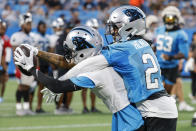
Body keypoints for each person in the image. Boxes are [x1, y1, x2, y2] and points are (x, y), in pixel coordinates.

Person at [16, 6, 178, 131]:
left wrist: (32, 69)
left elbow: (77, 70)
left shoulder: (108, 62)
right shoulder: (141, 44)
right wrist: (37, 52)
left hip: (142, 114)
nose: (113, 32)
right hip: (146, 110)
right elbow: (71, 63)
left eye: (116, 27)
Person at [14, 26, 144, 131]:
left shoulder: (95, 73)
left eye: (73, 51)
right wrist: (37, 52)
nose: (70, 55)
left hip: (129, 119)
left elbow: (57, 87)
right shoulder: (103, 57)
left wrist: (31, 69)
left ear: (84, 51)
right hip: (126, 114)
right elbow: (64, 62)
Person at [155, 6, 189, 94]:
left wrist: (170, 57)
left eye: (171, 19)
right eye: (167, 18)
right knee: (156, 91)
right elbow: (155, 46)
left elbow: (184, 54)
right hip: (158, 65)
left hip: (171, 67)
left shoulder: (181, 34)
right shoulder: (159, 30)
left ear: (177, 19)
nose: (169, 21)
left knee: (166, 92)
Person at [10, 12, 35, 116]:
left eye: (30, 24)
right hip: (21, 66)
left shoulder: (31, 37)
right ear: (22, 24)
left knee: (27, 88)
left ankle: (26, 108)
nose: (30, 26)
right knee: (21, 87)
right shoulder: (16, 36)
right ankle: (18, 108)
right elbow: (14, 52)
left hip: (29, 66)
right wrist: (17, 68)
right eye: (28, 24)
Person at [80, 18, 101, 113]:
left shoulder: (99, 39)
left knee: (94, 86)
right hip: (85, 63)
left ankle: (93, 107)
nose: (95, 29)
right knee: (84, 87)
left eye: (96, 27)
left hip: (95, 64)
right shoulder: (83, 39)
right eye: (93, 28)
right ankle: (85, 107)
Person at [30, 20, 51, 113]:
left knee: (41, 87)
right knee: (32, 86)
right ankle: (29, 106)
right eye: (43, 26)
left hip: (45, 63)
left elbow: (50, 50)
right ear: (38, 27)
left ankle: (39, 107)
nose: (44, 28)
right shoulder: (34, 37)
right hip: (36, 62)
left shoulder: (47, 37)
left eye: (45, 27)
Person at [0, 19, 11, 103]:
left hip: (2, 62)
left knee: (3, 80)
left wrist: (6, 64)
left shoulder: (5, 39)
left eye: (3, 28)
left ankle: (1, 96)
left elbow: (6, 53)